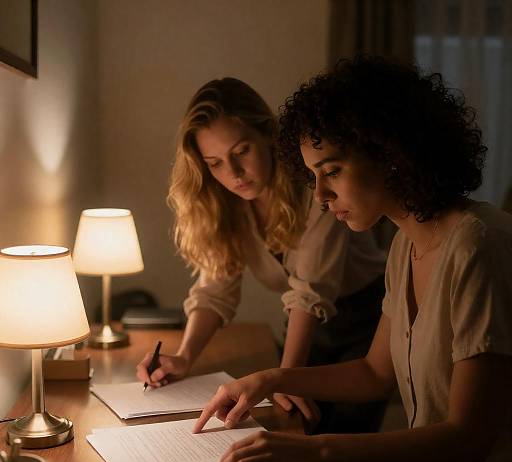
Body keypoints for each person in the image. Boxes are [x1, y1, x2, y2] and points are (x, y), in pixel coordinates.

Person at [193, 56, 512, 462]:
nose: (320, 196)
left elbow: (468, 441)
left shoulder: (478, 247)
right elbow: (374, 373)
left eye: (332, 171)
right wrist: (269, 378)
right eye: (313, 176)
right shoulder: (406, 245)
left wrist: (313, 450)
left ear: (390, 152)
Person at [136, 77, 386, 433]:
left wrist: (284, 377)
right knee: (293, 426)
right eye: (215, 163)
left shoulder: (313, 189)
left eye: (241, 152)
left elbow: (310, 291)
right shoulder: (227, 205)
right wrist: (183, 356)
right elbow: (214, 291)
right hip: (304, 323)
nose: (233, 174)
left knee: (341, 443)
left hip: (365, 318)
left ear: (267, 135)